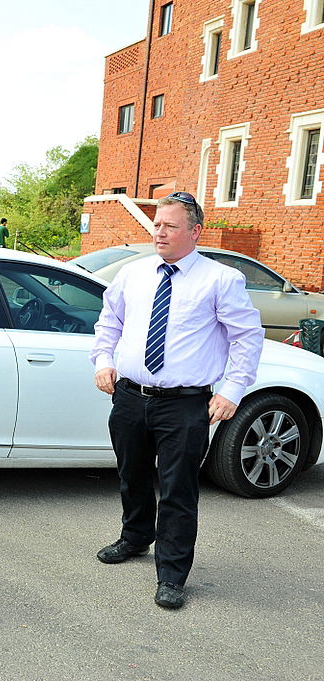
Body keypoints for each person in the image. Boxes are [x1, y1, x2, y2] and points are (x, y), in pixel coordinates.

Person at [90, 191, 264, 609]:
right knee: (131, 474)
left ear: (195, 231)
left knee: (177, 490)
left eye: (169, 225)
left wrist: (231, 391)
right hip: (129, 396)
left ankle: (171, 574)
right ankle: (134, 537)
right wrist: (102, 360)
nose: (159, 231)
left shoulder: (221, 279)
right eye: (156, 224)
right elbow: (109, 320)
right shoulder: (134, 274)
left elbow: (247, 337)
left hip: (185, 405)